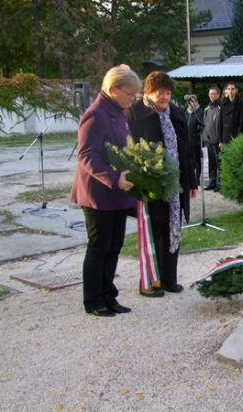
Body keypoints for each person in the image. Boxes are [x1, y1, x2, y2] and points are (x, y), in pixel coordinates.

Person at [70, 64, 141, 317]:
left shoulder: (118, 113)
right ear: (113, 89)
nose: (132, 98)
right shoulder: (95, 114)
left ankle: (109, 296)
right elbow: (86, 156)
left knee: (114, 246)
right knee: (99, 246)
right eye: (129, 93)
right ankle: (94, 300)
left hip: (117, 192)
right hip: (98, 193)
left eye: (134, 94)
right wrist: (113, 178)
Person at [125, 71, 198, 297]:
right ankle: (150, 281)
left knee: (172, 228)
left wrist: (191, 181)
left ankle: (169, 278)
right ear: (148, 92)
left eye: (168, 93)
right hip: (151, 184)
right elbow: (130, 150)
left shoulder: (175, 113)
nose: (165, 97)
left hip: (175, 184)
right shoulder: (134, 113)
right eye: (160, 92)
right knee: (154, 229)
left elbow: (186, 150)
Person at [202, 86, 222, 191]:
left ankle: (220, 183)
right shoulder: (207, 108)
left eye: (213, 94)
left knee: (219, 163)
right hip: (208, 139)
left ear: (218, 94)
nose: (211, 96)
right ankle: (212, 181)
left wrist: (220, 139)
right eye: (210, 94)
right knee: (211, 162)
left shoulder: (221, 107)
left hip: (217, 140)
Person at [186, 94, 204, 186]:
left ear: (196, 102)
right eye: (190, 102)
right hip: (187, 140)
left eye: (193, 101)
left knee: (197, 160)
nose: (191, 103)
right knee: (189, 160)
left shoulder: (199, 112)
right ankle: (191, 178)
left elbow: (202, 124)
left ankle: (197, 179)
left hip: (196, 139)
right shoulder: (186, 113)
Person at [221, 81, 243, 146]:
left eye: (232, 89)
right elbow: (221, 122)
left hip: (235, 137)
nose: (230, 91)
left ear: (236, 90)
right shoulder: (223, 103)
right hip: (225, 137)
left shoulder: (241, 103)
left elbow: (241, 122)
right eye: (229, 89)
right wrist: (220, 140)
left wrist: (239, 137)